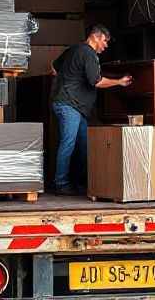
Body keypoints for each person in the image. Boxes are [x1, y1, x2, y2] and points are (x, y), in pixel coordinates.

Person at [50, 24, 132, 196]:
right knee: (69, 143)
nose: (106, 45)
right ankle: (61, 183)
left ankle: (80, 183)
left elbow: (54, 68)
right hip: (69, 105)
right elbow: (96, 81)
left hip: (72, 105)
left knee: (84, 144)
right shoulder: (89, 53)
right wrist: (119, 82)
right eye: (105, 41)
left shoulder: (73, 49)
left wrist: (68, 81)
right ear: (95, 37)